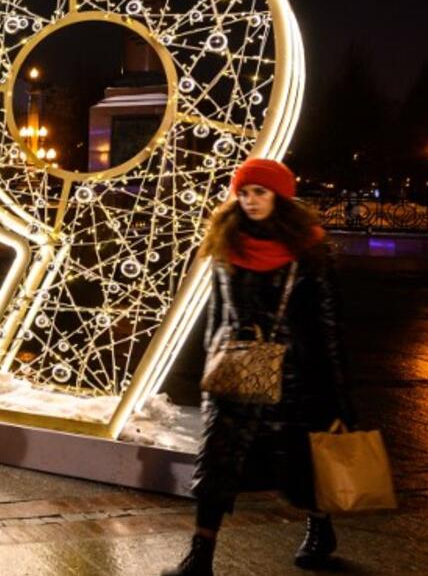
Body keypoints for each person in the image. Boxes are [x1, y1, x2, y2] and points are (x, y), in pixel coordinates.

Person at [164, 159, 354, 576]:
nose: (250, 201)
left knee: (299, 466)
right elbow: (216, 313)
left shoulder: (308, 252)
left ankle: (320, 530)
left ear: (280, 198)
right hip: (232, 373)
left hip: (293, 380)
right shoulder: (226, 244)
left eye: (260, 193)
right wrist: (210, 368)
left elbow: (327, 330)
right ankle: (200, 556)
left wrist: (338, 398)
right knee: (216, 463)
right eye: (244, 193)